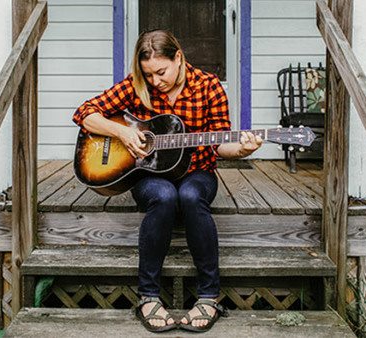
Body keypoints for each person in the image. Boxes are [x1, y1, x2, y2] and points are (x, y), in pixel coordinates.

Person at [72, 30, 262, 333]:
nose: (156, 81)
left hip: (198, 172)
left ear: (179, 58)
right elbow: (84, 113)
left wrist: (241, 148)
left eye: (161, 72)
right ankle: (148, 296)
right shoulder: (137, 86)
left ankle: (209, 296)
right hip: (147, 174)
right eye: (149, 75)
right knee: (163, 195)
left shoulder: (209, 87)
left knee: (188, 196)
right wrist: (122, 132)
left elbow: (220, 143)